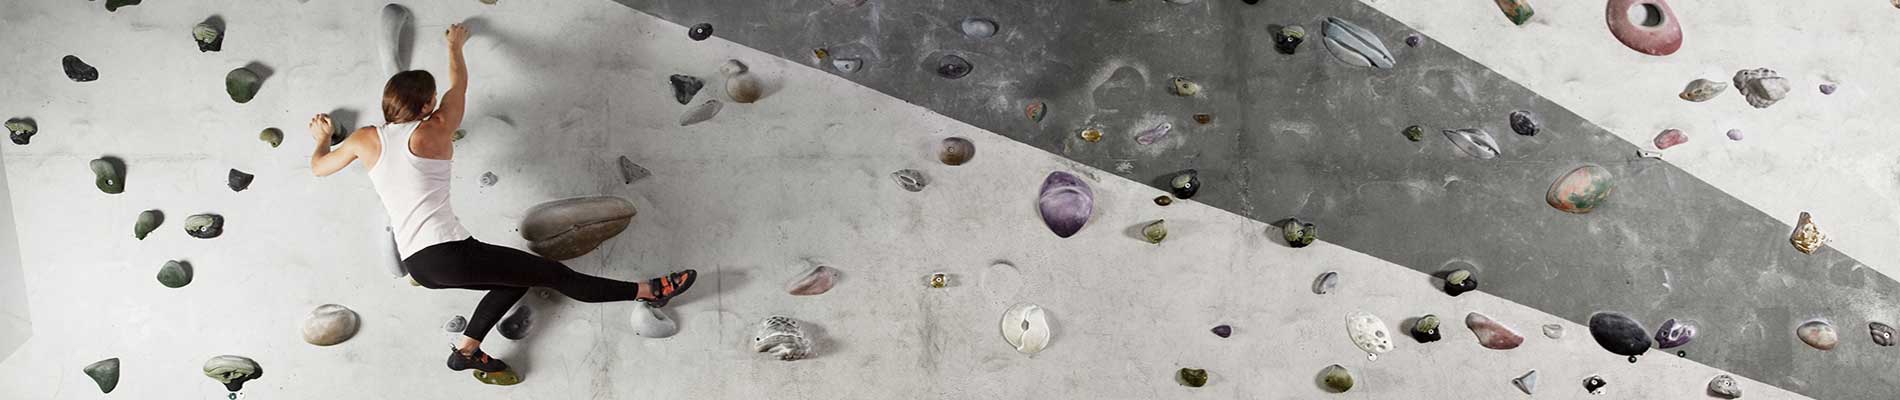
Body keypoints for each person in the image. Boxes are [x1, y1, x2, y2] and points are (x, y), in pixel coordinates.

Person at [306, 23, 696, 376]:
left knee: (514, 280)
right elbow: (458, 86)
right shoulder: (435, 129)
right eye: (431, 101)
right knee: (558, 275)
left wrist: (323, 136)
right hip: (449, 253)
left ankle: (467, 350)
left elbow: (319, 167)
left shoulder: (365, 139)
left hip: (420, 265)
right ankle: (650, 291)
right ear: (426, 107)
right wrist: (454, 46)